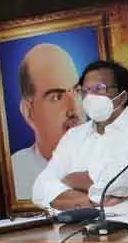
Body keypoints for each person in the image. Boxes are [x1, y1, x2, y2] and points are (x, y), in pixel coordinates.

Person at [31, 60, 128, 214]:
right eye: (84, 91)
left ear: (122, 97)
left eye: (99, 89)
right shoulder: (74, 136)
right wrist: (89, 201)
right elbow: (39, 190)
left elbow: (115, 187)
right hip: (79, 230)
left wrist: (67, 181)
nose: (90, 96)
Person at [11, 43, 84, 200]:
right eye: (57, 97)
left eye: (77, 92)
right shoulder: (13, 176)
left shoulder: (113, 158)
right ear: (28, 112)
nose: (75, 110)